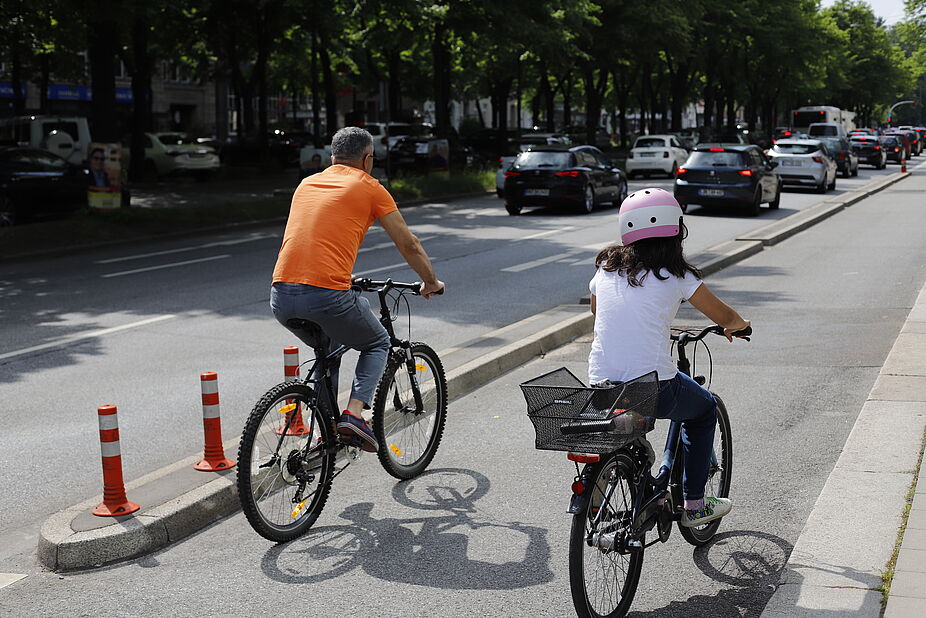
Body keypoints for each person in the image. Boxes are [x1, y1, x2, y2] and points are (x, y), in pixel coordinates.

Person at [271, 126, 444, 452]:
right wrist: (430, 282)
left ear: (333, 157)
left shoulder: (307, 183)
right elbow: (409, 244)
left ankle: (327, 438)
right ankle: (353, 416)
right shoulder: (369, 186)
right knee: (377, 342)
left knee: (330, 351)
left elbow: (313, 239)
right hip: (325, 295)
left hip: (280, 295)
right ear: (367, 159)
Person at [588, 187, 749, 527]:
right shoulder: (678, 276)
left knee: (629, 420)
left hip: (601, 382)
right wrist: (739, 325)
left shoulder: (606, 266)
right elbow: (726, 318)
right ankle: (695, 504)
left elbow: (597, 312)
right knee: (704, 409)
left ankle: (607, 477)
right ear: (676, 230)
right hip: (653, 386)